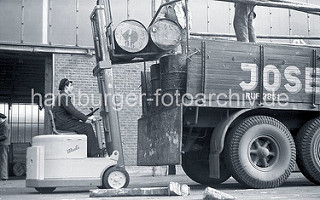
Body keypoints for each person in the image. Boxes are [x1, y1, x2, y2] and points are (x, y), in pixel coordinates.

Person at [52, 78, 102, 157]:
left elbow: (70, 112)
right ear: (66, 87)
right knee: (87, 127)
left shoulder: (62, 96)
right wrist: (86, 119)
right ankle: (93, 153)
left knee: (84, 126)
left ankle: (89, 151)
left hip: (63, 122)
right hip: (64, 123)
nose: (72, 88)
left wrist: (87, 117)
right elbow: (73, 111)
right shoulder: (63, 96)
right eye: (71, 86)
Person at [0, 113, 11, 181]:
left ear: (1, 118)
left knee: (3, 161)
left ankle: (4, 177)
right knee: (2, 161)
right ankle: (3, 176)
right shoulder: (4, 125)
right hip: (3, 145)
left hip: (3, 145)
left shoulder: (5, 125)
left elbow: (5, 136)